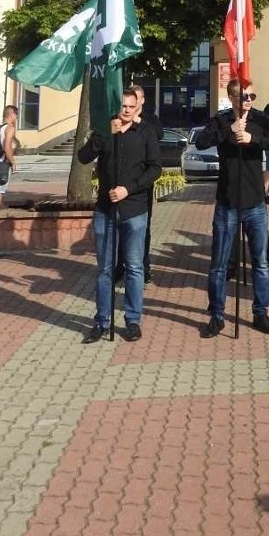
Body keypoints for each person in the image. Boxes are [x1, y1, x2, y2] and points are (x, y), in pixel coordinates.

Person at [197, 79, 269, 337]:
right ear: (232, 98)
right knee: (219, 263)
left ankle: (261, 312)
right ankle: (216, 315)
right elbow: (202, 141)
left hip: (255, 201)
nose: (248, 101)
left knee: (260, 263)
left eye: (251, 96)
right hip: (228, 202)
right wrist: (229, 130)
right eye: (243, 97)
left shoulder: (260, 119)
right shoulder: (221, 119)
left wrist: (252, 137)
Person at [78, 89, 162, 343]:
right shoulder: (106, 132)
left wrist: (129, 189)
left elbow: (155, 168)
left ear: (137, 108)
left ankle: (132, 320)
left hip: (134, 210)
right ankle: (102, 321)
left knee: (135, 268)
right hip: (106, 210)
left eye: (130, 106)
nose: (126, 110)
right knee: (104, 269)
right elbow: (83, 157)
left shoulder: (145, 133)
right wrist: (103, 137)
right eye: (122, 106)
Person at [115, 84, 163, 285]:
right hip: (119, 187)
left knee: (143, 227)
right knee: (119, 228)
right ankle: (120, 266)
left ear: (141, 101)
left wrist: (138, 121)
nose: (129, 106)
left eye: (137, 98)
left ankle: (144, 266)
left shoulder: (150, 121)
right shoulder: (119, 121)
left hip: (141, 187)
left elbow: (157, 134)